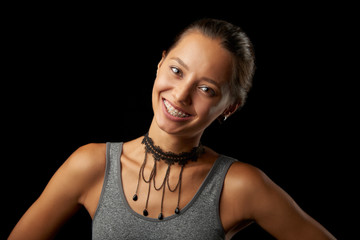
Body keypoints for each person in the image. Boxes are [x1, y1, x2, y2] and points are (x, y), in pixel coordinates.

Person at [8, 18, 336, 240]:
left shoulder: (238, 186)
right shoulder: (92, 165)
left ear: (230, 107)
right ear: (160, 62)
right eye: (177, 70)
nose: (180, 95)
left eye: (206, 89)